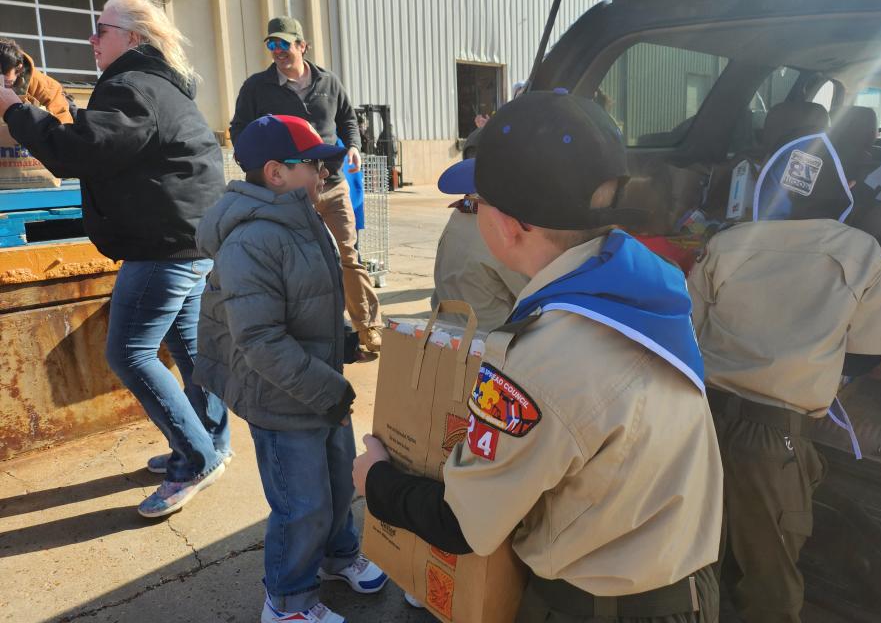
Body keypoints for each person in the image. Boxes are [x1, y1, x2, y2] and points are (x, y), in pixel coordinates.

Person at [354, 89, 723, 623]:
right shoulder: (651, 288)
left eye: (477, 204)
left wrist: (376, 481)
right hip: (685, 589)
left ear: (510, 224)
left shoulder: (542, 360)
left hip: (605, 609)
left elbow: (465, 525)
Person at [0, 0, 229, 518]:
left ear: (133, 38)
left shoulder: (131, 88)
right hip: (190, 243)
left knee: (128, 353)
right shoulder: (159, 87)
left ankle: (195, 459)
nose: (91, 40)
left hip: (162, 248)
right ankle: (210, 443)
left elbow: (77, 152)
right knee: (191, 351)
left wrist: (15, 108)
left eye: (100, 30)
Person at [688, 133, 881, 623]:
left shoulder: (724, 243)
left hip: (701, 423)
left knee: (691, 560)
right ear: (843, 191)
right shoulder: (864, 253)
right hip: (777, 439)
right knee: (770, 581)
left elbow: (687, 331)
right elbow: (865, 357)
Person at [194, 114, 387, 623]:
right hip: (284, 398)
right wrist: (327, 387)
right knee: (301, 505)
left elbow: (308, 299)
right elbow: (259, 338)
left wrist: (340, 341)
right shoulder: (252, 239)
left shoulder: (304, 218)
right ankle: (289, 601)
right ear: (276, 173)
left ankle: (339, 555)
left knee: (340, 483)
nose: (325, 174)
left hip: (319, 386)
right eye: (314, 164)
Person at [230, 17, 383, 352]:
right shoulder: (257, 88)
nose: (278, 51)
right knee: (298, 263)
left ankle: (368, 326)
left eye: (284, 44)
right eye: (272, 45)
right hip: (291, 190)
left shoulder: (329, 82)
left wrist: (354, 146)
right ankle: (311, 332)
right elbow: (239, 131)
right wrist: (264, 169)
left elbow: (348, 120)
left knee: (348, 255)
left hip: (332, 183)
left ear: (302, 46)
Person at [431, 194, 529, 331]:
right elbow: (534, 293)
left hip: (446, 330)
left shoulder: (459, 215)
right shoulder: (496, 233)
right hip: (486, 339)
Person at [0, 37, 73, 123]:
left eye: (5, 82)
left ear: (19, 69)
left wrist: (25, 109)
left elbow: (62, 127)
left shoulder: (47, 88)